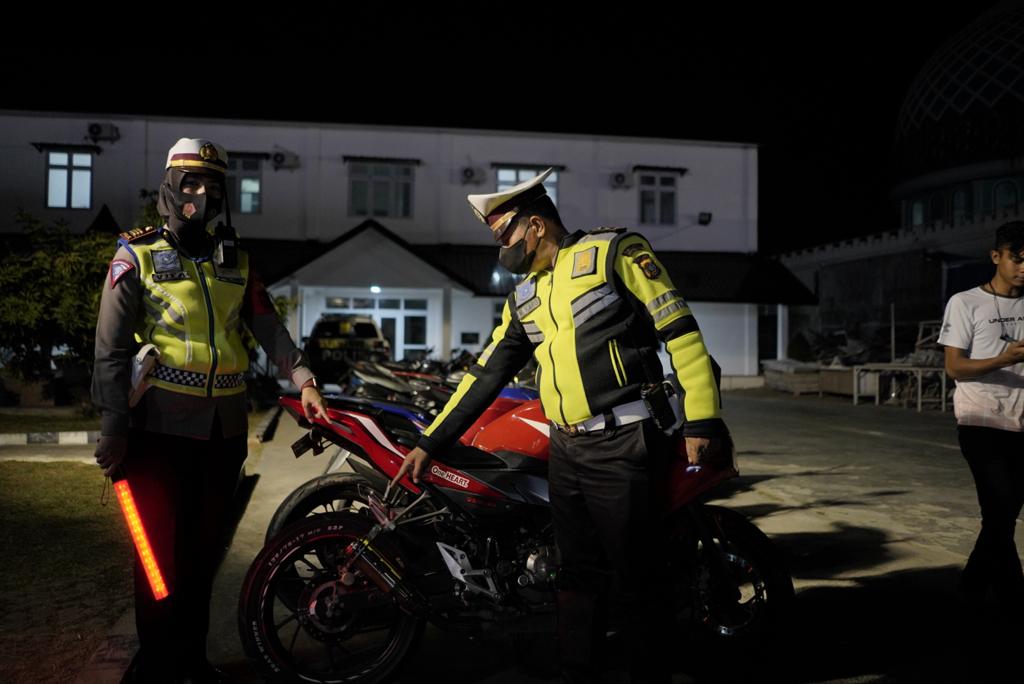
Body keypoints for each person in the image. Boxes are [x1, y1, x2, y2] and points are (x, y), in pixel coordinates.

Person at [392, 169, 729, 683]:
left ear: (535, 225)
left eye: (504, 234)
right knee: (575, 578)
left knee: (637, 581)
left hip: (623, 442)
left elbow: (679, 329)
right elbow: (484, 375)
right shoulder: (525, 297)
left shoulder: (613, 253)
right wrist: (430, 442)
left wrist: (702, 417)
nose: (501, 247)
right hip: (566, 450)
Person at [92, 138, 328, 683]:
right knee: (158, 563)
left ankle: (191, 663)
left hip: (223, 434)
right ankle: (157, 666)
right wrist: (113, 427)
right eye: (191, 182)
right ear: (169, 189)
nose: (201, 193)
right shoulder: (136, 254)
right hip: (156, 433)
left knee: (203, 557)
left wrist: (304, 379)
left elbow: (267, 325)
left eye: (212, 185)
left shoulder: (235, 260)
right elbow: (110, 348)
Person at [940, 220, 1024, 614]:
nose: (1023, 268)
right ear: (996, 256)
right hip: (981, 421)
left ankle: (975, 586)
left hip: (1022, 421)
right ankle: (1010, 595)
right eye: (1017, 259)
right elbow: (954, 367)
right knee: (1000, 508)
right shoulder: (965, 302)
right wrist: (1002, 359)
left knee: (1001, 516)